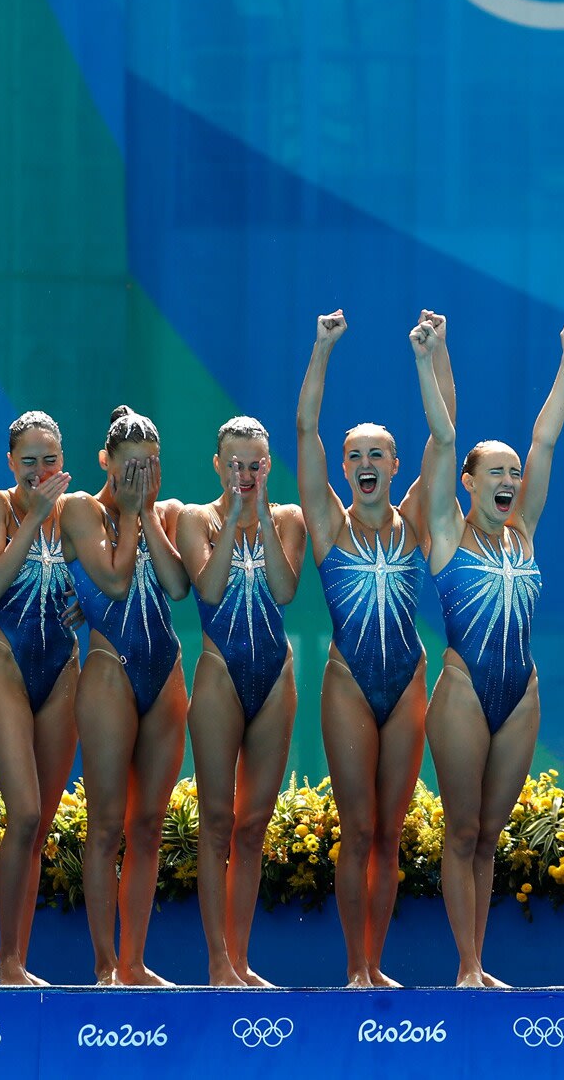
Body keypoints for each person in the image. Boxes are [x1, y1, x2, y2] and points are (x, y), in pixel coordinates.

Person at [414, 315, 564, 987]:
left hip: (521, 696)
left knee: (489, 833)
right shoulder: (446, 533)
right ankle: (467, 966)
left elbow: (546, 438)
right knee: (461, 833)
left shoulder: (525, 532)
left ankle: (480, 963)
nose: (511, 476)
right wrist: (429, 360)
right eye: (497, 470)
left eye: (514, 471)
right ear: (468, 481)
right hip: (461, 690)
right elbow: (443, 434)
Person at [295, 311, 453, 986]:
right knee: (356, 828)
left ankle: (376, 962)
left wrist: (434, 354)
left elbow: (446, 441)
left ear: (393, 465)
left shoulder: (415, 518)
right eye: (353, 454)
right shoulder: (326, 521)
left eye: (375, 455)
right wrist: (322, 347)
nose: (363, 463)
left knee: (390, 832)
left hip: (408, 679)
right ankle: (353, 966)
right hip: (350, 684)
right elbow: (305, 430)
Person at [180, 415, 306, 986]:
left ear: (268, 465)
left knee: (253, 824)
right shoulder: (194, 519)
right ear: (217, 465)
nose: (245, 474)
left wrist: (258, 517)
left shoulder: (289, 520)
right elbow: (206, 590)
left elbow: (283, 590)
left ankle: (242, 958)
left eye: (255, 464)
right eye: (235, 464)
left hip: (273, 674)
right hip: (219, 673)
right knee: (216, 819)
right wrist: (232, 518)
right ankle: (215, 962)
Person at [66, 407, 188, 985]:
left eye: (148, 468)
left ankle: (135, 962)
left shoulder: (164, 514)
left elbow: (178, 586)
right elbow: (115, 580)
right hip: (110, 667)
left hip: (164, 673)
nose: (137, 479)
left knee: (148, 826)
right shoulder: (80, 510)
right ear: (105, 462)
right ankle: (104, 965)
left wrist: (148, 516)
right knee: (106, 825)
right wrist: (133, 515)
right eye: (127, 468)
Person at [0, 411, 78, 985]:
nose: (40, 471)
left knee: (43, 823)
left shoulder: (78, 511)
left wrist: (92, 605)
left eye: (50, 461)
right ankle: (5, 961)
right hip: (5, 662)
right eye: (28, 462)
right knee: (26, 810)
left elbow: (107, 576)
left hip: (62, 670)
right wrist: (33, 520)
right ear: (11, 462)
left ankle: (20, 961)